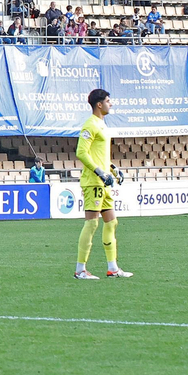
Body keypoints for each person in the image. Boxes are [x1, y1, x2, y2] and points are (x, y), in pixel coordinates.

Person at [76, 88, 131, 280]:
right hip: (94, 182)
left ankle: (112, 268)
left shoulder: (102, 125)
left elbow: (99, 155)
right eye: (108, 101)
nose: (111, 103)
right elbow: (81, 152)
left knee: (111, 222)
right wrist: (99, 171)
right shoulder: (90, 125)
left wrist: (113, 169)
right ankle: (80, 270)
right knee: (91, 223)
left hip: (104, 182)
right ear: (99, 104)